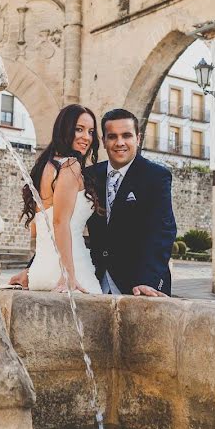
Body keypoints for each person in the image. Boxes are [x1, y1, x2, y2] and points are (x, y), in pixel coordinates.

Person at [84, 108, 175, 297]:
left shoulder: (157, 177)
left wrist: (148, 281)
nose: (120, 143)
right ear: (103, 141)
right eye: (112, 136)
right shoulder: (89, 176)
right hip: (92, 283)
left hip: (139, 287)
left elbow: (162, 232)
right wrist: (35, 268)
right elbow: (65, 224)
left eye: (126, 135)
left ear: (138, 138)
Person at [19, 104, 104, 294]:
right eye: (79, 129)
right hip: (70, 270)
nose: (86, 137)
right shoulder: (70, 166)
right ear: (64, 129)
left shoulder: (45, 167)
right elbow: (59, 222)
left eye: (90, 132)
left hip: (41, 270)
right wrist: (69, 274)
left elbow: (36, 229)